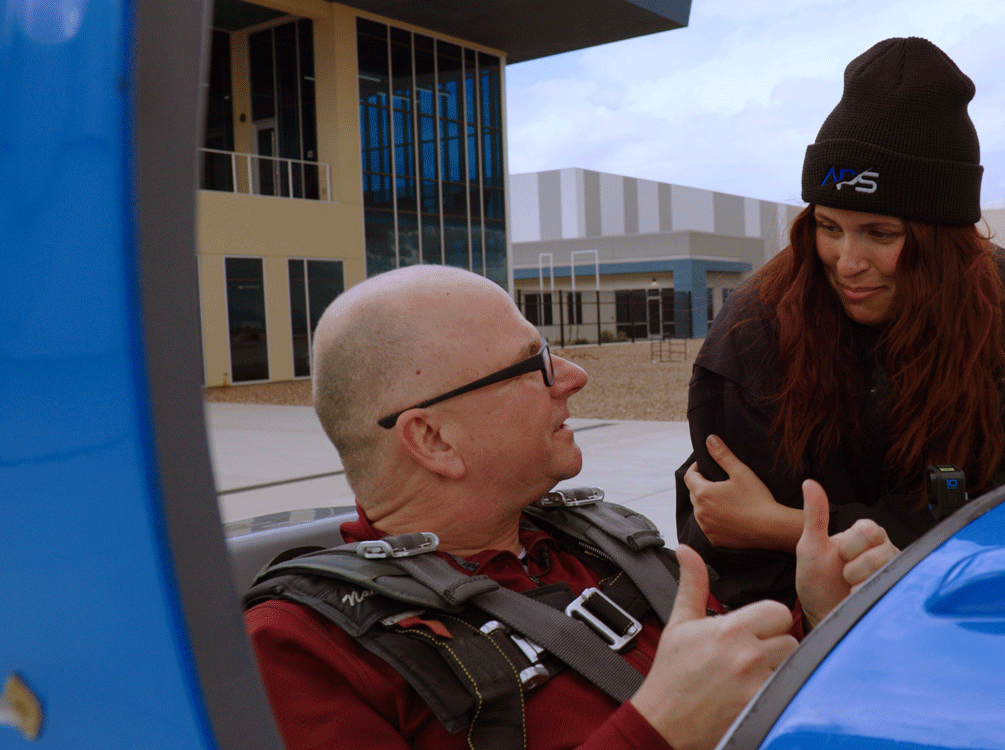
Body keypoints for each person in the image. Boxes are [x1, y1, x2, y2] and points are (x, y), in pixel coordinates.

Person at [244, 265, 897, 750]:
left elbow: (751, 695)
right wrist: (655, 732)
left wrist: (823, 618)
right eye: (534, 364)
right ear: (432, 438)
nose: (575, 377)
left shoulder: (599, 541)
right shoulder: (301, 648)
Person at [677, 37, 1005, 609]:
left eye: (881, 234)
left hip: (959, 602)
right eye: (829, 226)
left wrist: (788, 526)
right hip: (793, 631)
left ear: (944, 241)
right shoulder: (755, 329)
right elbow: (723, 533)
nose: (847, 262)